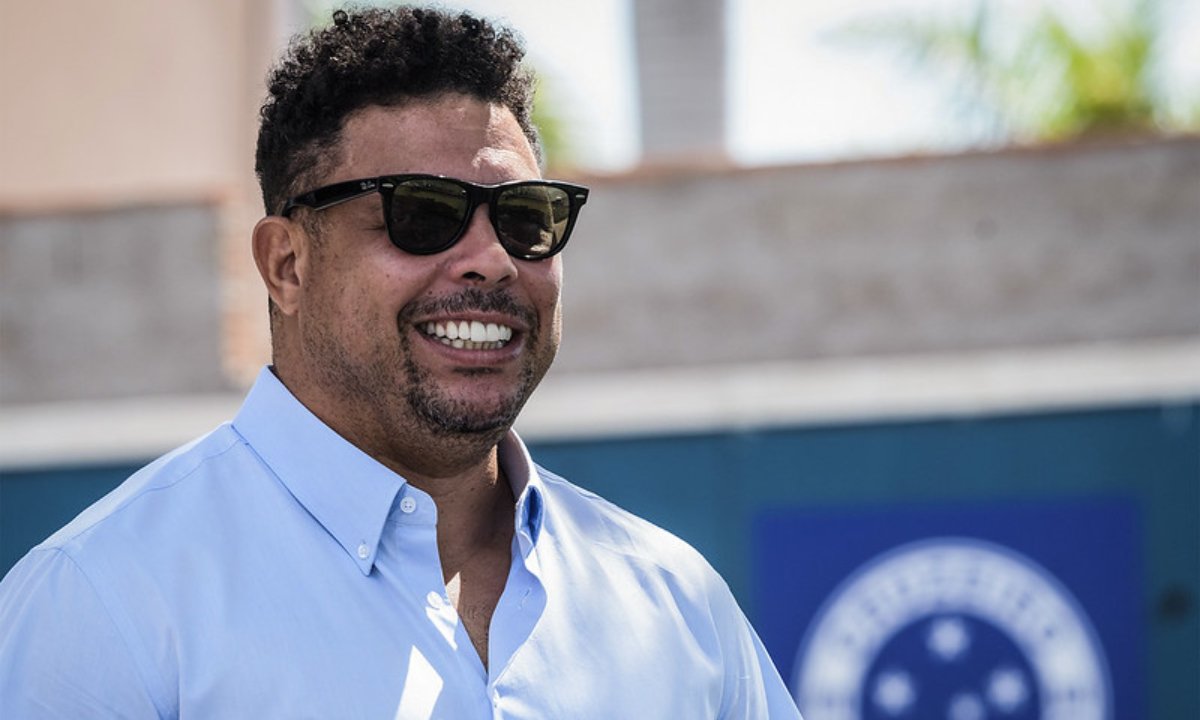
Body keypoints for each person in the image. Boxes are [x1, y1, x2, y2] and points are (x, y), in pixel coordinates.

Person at [0, 7, 801, 718]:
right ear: (286, 264)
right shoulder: (103, 604)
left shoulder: (674, 604)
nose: (490, 259)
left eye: (526, 217)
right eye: (422, 214)